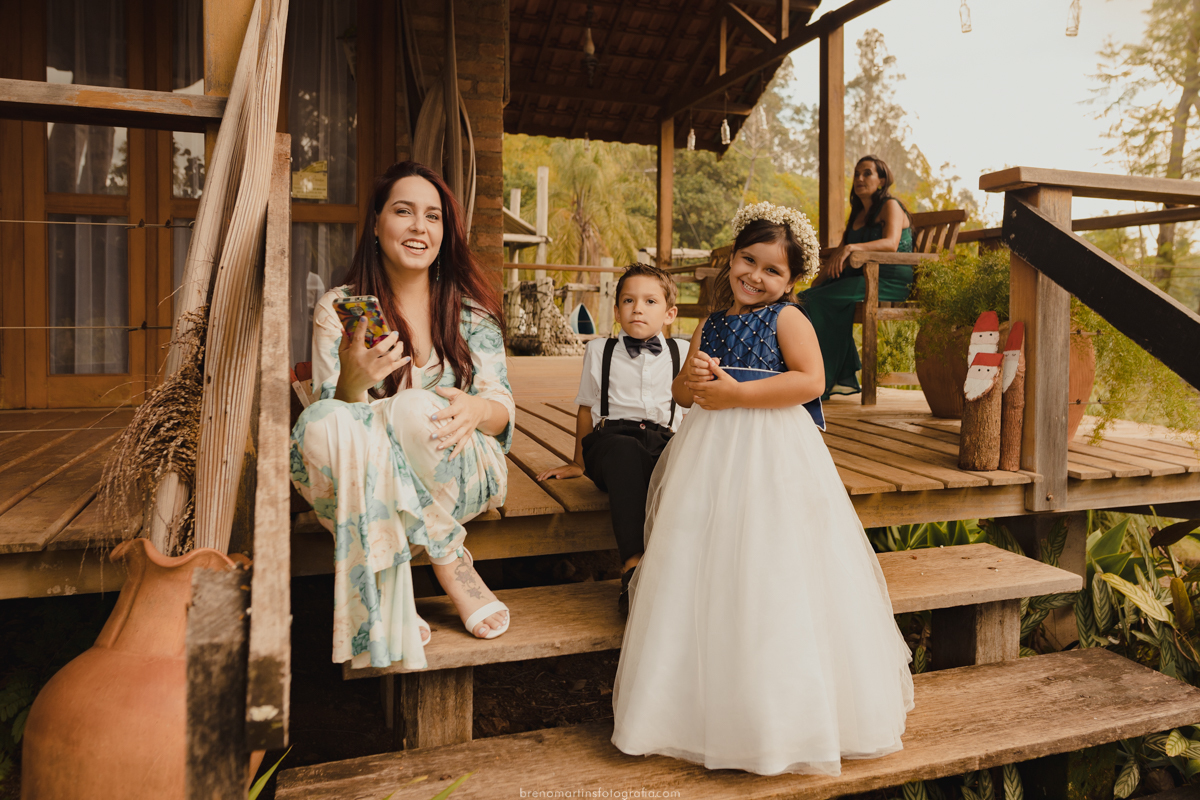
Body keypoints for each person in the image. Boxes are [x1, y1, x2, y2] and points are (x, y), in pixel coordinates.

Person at [611, 202, 914, 776]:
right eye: (748, 261)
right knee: (705, 560)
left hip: (773, 452)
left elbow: (811, 381)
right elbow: (680, 392)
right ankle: (692, 707)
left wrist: (739, 396)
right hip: (709, 452)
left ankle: (781, 719)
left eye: (772, 270)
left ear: (791, 281)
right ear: (731, 259)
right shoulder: (711, 322)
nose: (756, 276)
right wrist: (691, 382)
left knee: (772, 563)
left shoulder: (788, 319)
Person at [290, 161, 514, 672]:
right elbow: (338, 426)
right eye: (403, 211)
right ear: (375, 223)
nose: (419, 226)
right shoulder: (339, 309)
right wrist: (352, 379)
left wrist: (476, 407)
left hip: (460, 464)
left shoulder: (472, 313)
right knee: (323, 424)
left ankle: (412, 573)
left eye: (433, 216)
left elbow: (501, 412)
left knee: (413, 408)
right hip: (370, 474)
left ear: (445, 232)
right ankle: (442, 559)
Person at [536, 263, 683, 614]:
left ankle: (677, 572)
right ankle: (633, 567)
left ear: (669, 313)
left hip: (664, 440)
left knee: (681, 464)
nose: (638, 308)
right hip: (612, 441)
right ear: (616, 311)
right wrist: (577, 462)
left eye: (650, 301)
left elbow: (692, 410)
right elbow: (587, 408)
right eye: (629, 300)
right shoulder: (599, 351)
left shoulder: (683, 351)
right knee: (624, 450)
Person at [802, 154, 915, 399]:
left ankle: (823, 381)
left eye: (867, 173)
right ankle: (840, 377)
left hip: (889, 280)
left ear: (882, 180)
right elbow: (839, 254)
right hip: (860, 279)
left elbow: (891, 243)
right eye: (856, 174)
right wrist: (816, 282)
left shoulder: (891, 205)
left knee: (820, 300)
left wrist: (853, 248)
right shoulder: (857, 214)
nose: (860, 178)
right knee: (805, 298)